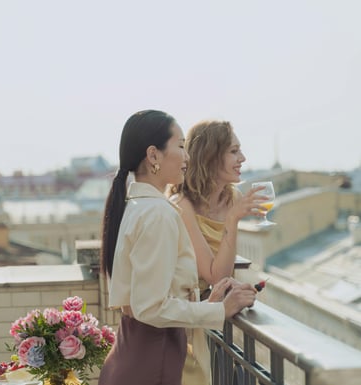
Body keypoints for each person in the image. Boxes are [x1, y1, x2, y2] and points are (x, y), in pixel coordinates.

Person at [98, 110, 257, 385]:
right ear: (153, 156)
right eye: (181, 146)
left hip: (136, 354)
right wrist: (220, 310)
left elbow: (146, 300)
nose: (187, 157)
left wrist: (208, 303)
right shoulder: (159, 213)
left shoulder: (138, 206)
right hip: (153, 359)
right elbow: (150, 307)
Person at [169, 119, 266, 385]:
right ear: (211, 156)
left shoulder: (232, 197)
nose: (242, 158)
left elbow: (223, 276)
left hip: (220, 315)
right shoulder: (182, 204)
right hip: (191, 322)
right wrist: (233, 220)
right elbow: (214, 276)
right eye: (234, 151)